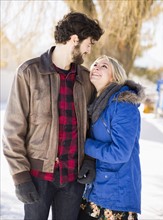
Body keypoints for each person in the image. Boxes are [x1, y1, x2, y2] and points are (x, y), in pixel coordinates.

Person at [2, 12, 104, 220]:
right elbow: (13, 129)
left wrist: (90, 160)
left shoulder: (85, 79)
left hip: (74, 179)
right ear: (74, 40)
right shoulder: (29, 72)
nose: (88, 50)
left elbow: (95, 126)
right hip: (38, 177)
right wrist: (20, 176)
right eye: (89, 43)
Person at [78, 55, 145, 220]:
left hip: (116, 194)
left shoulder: (123, 105)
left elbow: (120, 153)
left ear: (114, 77)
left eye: (104, 66)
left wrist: (84, 144)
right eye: (95, 64)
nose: (96, 67)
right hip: (98, 188)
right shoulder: (99, 104)